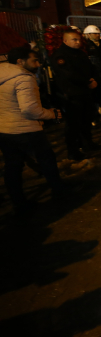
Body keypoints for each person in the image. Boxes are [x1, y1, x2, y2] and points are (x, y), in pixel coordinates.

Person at [0, 47, 68, 214]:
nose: (38, 64)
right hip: (25, 129)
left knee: (13, 167)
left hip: (4, 130)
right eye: (34, 61)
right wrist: (51, 114)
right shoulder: (23, 78)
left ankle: (19, 202)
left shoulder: (2, 74)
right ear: (20, 62)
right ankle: (58, 191)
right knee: (47, 159)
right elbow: (30, 109)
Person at [51, 30, 99, 159]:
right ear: (65, 40)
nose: (78, 42)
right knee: (73, 124)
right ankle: (73, 150)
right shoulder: (60, 56)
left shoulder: (80, 54)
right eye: (74, 40)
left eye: (79, 40)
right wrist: (87, 81)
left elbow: (91, 68)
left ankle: (87, 143)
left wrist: (94, 78)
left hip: (85, 92)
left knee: (86, 119)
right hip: (72, 94)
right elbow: (68, 74)